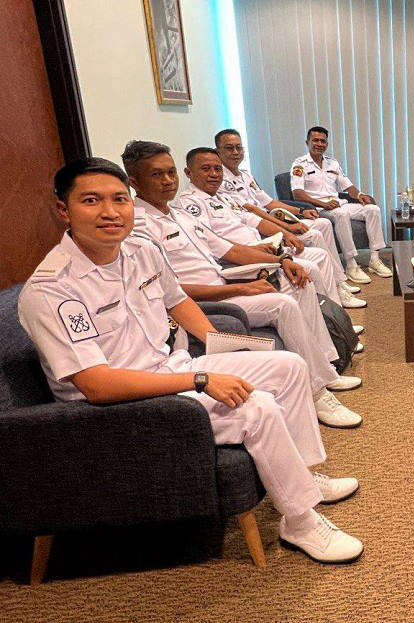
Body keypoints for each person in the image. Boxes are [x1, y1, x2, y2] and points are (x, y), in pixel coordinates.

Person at [18, 158, 365, 562]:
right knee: (257, 407)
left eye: (118, 200)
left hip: (171, 367)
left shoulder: (139, 250)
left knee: (287, 366)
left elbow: (178, 301)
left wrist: (224, 345)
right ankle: (300, 521)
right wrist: (199, 380)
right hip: (120, 406)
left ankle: (301, 476)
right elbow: (97, 384)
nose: (110, 212)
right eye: (91, 201)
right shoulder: (52, 290)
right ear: (64, 210)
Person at [120, 142, 365, 429]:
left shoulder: (177, 213)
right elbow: (170, 293)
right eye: (156, 175)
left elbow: (228, 249)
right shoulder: (139, 227)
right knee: (282, 304)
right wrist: (241, 288)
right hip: (208, 299)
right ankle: (317, 393)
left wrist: (281, 261)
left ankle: (326, 368)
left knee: (299, 282)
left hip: (225, 280)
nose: (167, 181)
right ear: (134, 182)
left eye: (170, 173)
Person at [172, 147, 365, 309]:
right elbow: (214, 243)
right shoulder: (191, 204)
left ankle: (336, 308)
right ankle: (331, 314)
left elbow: (256, 215)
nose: (214, 174)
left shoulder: (226, 193)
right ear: (188, 173)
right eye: (206, 169)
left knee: (319, 253)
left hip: (263, 244)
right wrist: (267, 245)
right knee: (311, 261)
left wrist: (286, 231)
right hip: (245, 257)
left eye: (217, 169)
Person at [290, 126, 391, 283]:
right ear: (307, 142)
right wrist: (323, 203)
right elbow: (297, 193)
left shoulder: (333, 164)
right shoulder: (299, 165)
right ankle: (351, 264)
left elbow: (347, 185)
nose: (319, 144)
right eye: (315, 140)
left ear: (327, 144)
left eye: (323, 141)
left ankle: (374, 259)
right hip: (317, 208)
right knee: (341, 214)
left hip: (338, 204)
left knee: (372, 209)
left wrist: (360, 195)